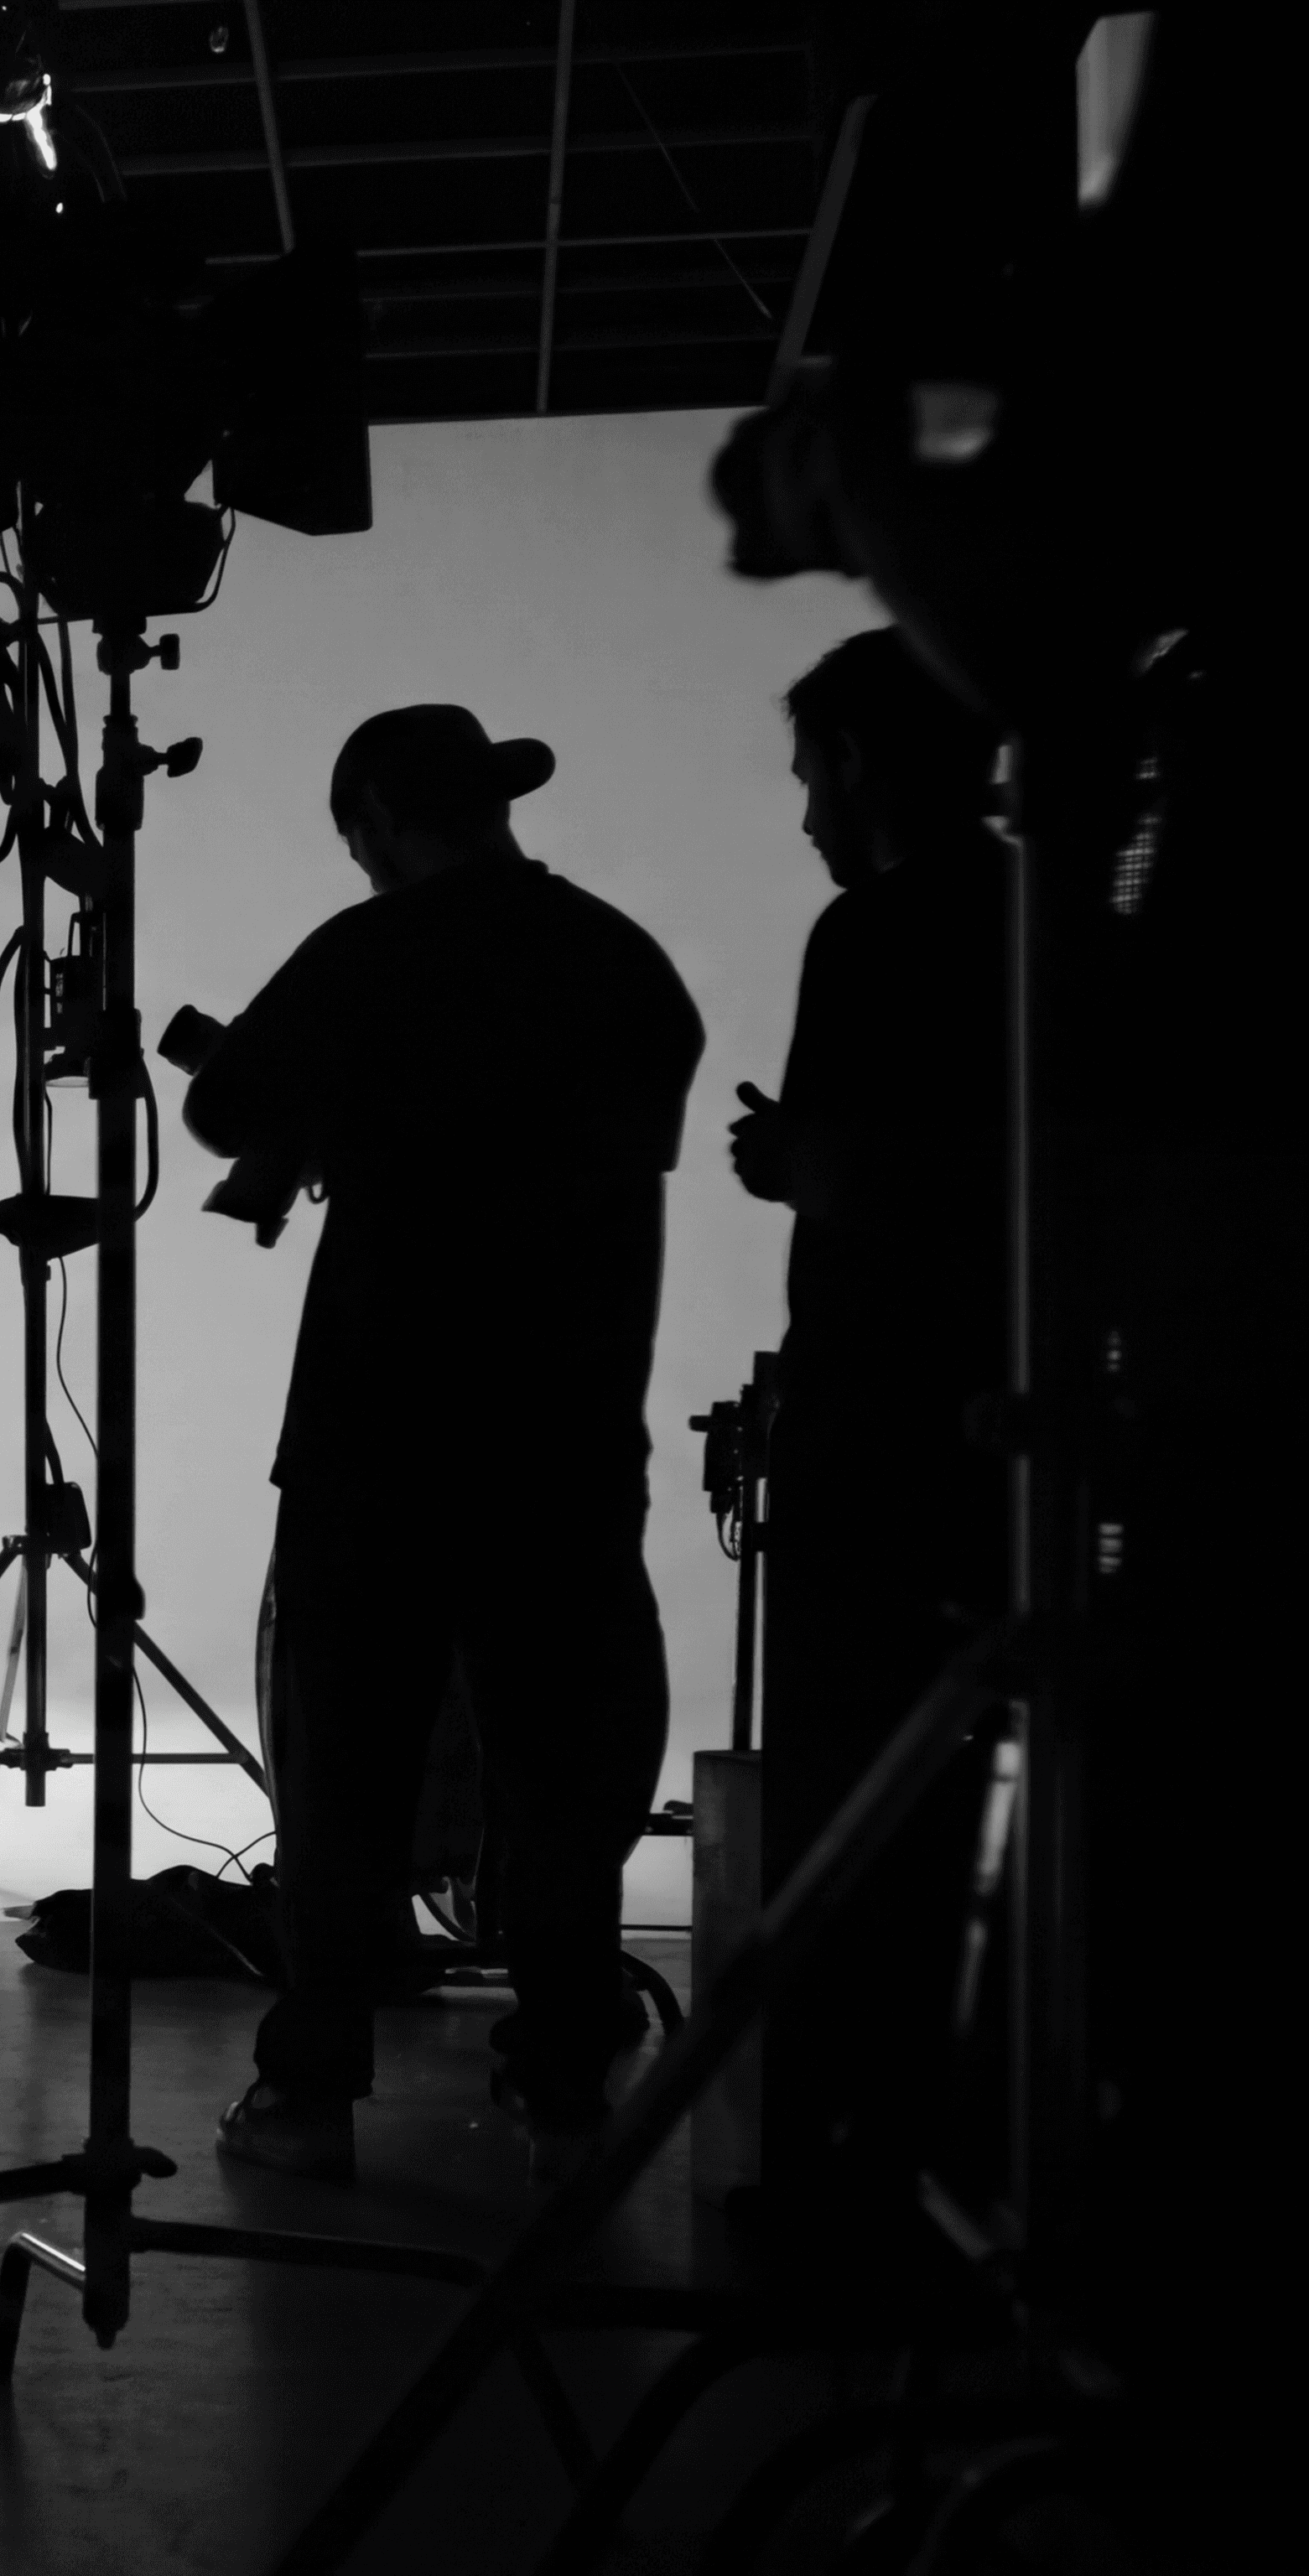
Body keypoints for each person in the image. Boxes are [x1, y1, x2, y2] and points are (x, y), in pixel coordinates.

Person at [181, 704, 704, 2186]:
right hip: (564, 1432)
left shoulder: (364, 955)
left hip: (375, 1436)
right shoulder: (619, 963)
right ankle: (558, 2081)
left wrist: (344, 1112)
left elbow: (225, 1104)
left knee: (342, 1775)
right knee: (560, 1773)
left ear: (377, 827)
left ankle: (308, 2089)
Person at [725, 629, 1009, 2237]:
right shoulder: (1040, 919)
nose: (800, 816)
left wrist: (787, 1163)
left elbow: (851, 1176)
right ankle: (954, 2147)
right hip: (987, 1420)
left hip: (873, 1416)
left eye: (806, 775)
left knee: (847, 1792)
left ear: (855, 761)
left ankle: (843, 2164)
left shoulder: (870, 934)